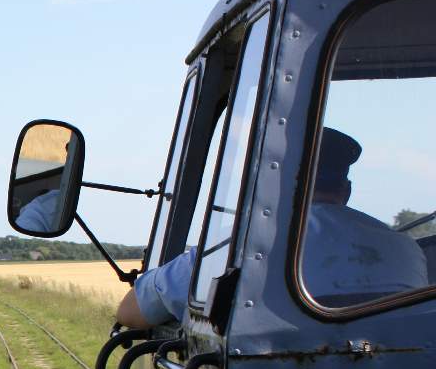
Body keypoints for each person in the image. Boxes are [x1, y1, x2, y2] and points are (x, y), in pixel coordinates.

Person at [116, 127, 426, 327]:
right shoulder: (406, 249)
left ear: (276, 186)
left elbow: (131, 312)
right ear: (346, 190)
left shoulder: (239, 246)